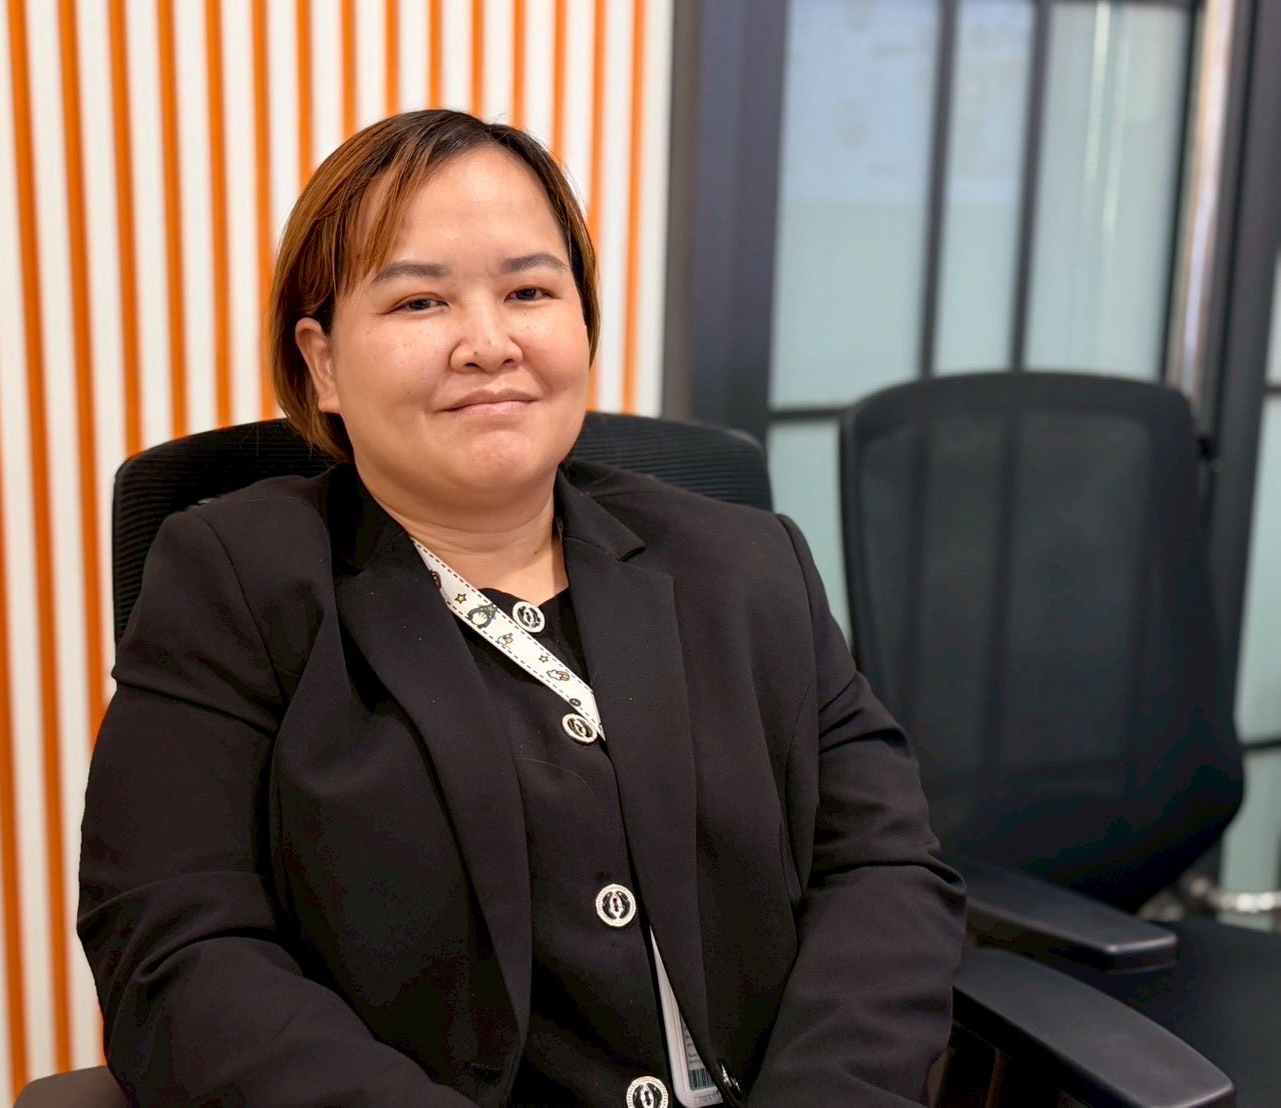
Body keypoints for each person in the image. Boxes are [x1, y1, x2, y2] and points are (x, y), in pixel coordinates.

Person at [79, 109, 965, 1107]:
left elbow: (885, 867)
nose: (488, 343)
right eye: (420, 301)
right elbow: (172, 943)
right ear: (322, 362)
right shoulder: (236, 581)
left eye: (529, 291)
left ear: (580, 323)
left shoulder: (748, 563)